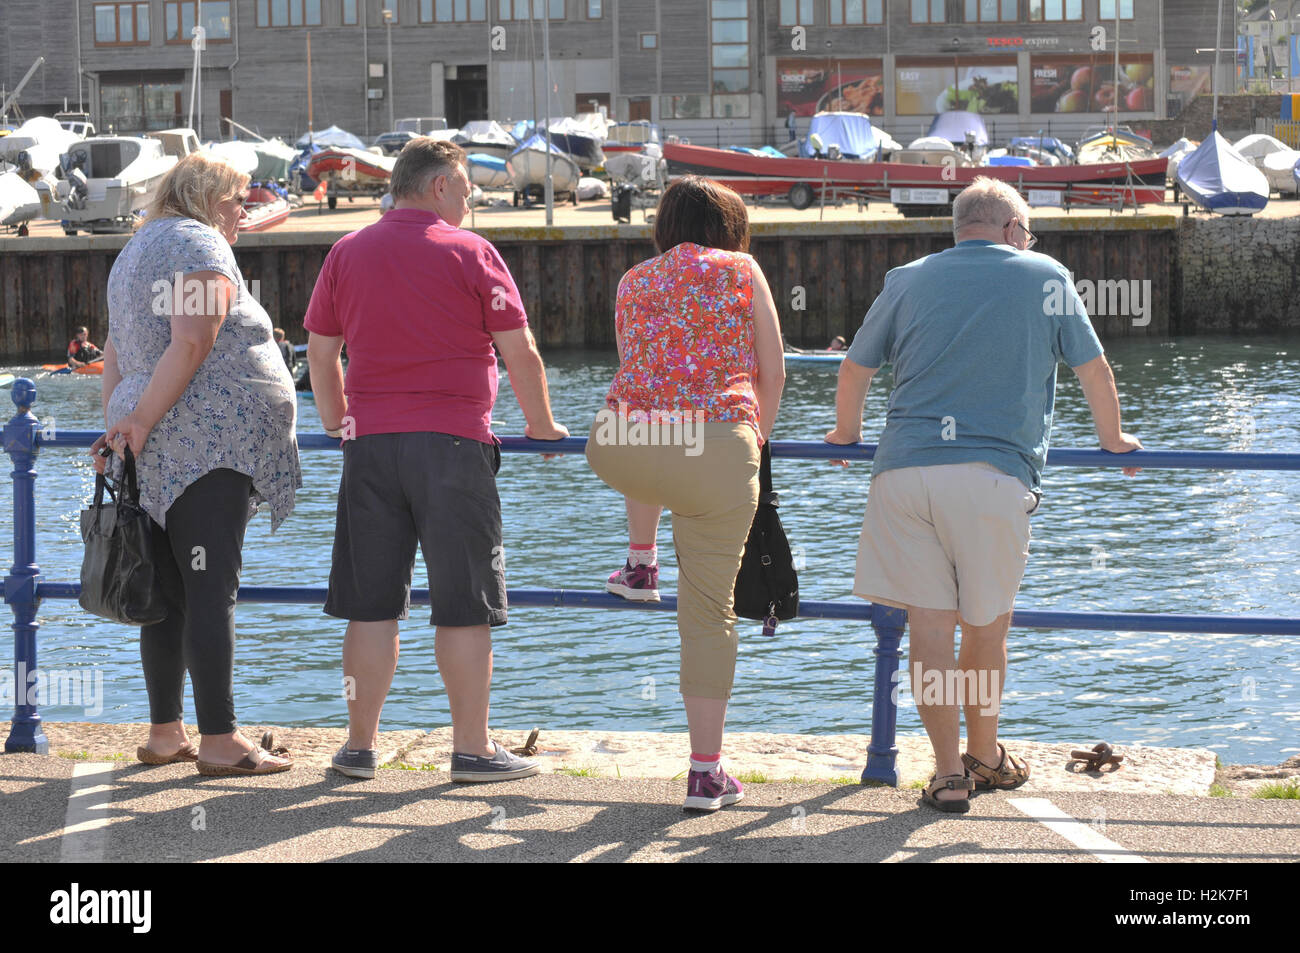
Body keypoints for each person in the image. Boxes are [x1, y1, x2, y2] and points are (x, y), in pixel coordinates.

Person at [825, 177, 1142, 813]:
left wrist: (845, 433)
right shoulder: (1043, 273)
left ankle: (947, 775)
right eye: (1026, 233)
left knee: (930, 634)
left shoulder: (907, 278)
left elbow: (856, 367)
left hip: (904, 476)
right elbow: (1094, 370)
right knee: (985, 631)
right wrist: (1112, 439)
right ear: (1012, 230)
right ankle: (987, 755)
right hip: (994, 479)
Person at [305, 137, 569, 783]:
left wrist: (338, 422)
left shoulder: (347, 249)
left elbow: (320, 352)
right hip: (453, 445)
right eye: (467, 186)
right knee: (464, 603)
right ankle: (472, 749)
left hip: (369, 447)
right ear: (441, 184)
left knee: (371, 606)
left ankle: (358, 746)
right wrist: (543, 426)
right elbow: (521, 352)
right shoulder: (470, 250)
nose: (472, 197)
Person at [91, 152, 301, 776]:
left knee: (168, 592)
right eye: (238, 201)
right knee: (211, 593)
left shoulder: (138, 248)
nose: (243, 213)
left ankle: (164, 734)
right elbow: (193, 338)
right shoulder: (198, 243)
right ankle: (220, 741)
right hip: (202, 448)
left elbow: (114, 352)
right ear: (210, 199)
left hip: (154, 444)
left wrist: (122, 425)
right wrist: (144, 421)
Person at [586, 175, 786, 812]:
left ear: (664, 226)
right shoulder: (741, 268)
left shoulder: (633, 280)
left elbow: (634, 370)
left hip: (619, 442)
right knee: (707, 615)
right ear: (728, 227)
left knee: (653, 425)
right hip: (720, 451)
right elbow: (771, 372)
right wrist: (756, 442)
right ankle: (704, 773)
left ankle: (640, 563)